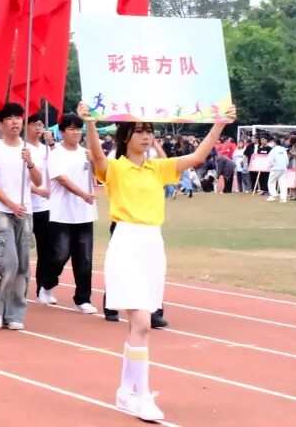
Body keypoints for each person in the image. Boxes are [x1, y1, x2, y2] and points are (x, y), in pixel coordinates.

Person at [80, 100, 234, 423]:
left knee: (139, 325)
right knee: (142, 324)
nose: (146, 136)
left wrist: (220, 123)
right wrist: (90, 122)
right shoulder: (115, 167)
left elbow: (196, 157)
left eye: (149, 130)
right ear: (126, 136)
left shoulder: (158, 167)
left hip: (153, 243)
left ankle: (125, 391)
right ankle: (142, 396)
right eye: (139, 131)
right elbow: (97, 157)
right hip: (126, 241)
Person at [0, 102, 43, 331]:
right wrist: (11, 204)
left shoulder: (29, 150)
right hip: (2, 212)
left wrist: (30, 163)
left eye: (18, 118)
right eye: (9, 118)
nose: (15, 122)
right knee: (8, 262)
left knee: (23, 266)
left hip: (25, 213)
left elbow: (38, 181)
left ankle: (15, 314)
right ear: (0, 124)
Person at [41, 113, 98, 314]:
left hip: (84, 213)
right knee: (60, 254)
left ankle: (82, 299)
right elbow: (62, 179)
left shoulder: (86, 153)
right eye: (71, 129)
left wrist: (94, 162)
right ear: (62, 132)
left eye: (78, 129)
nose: (76, 132)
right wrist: (83, 194)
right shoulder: (56, 154)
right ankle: (47, 284)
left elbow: (97, 176)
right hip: (62, 213)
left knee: (85, 258)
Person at [24, 117, 54, 306]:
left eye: (40, 125)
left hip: (45, 208)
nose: (38, 128)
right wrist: (37, 190)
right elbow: (18, 178)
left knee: (46, 250)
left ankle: (43, 287)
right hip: (26, 207)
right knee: (23, 251)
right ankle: (19, 288)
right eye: (34, 124)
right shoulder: (23, 148)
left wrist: (52, 144)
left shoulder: (46, 149)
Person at [267, 138, 289, 203]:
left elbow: (270, 160)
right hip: (283, 168)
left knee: (271, 182)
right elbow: (287, 160)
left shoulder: (273, 150)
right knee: (283, 183)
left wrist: (272, 166)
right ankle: (283, 199)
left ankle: (273, 195)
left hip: (275, 168)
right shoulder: (283, 150)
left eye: (272, 142)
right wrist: (285, 166)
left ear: (275, 143)